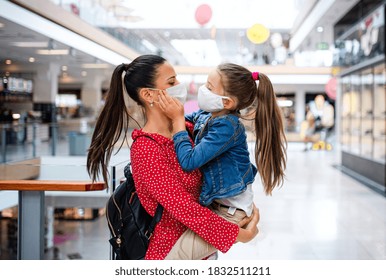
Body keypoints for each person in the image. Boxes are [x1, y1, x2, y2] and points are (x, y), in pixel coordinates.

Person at [86, 55, 259, 260]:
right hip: (169, 251)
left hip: (203, 248)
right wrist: (242, 235)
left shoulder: (188, 130)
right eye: (171, 82)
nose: (180, 85)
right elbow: (184, 208)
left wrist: (242, 204)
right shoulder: (146, 150)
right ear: (149, 94)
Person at [158, 63, 287, 260]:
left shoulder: (227, 126)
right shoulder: (207, 115)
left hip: (230, 213)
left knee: (175, 258)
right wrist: (173, 113)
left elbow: (189, 160)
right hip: (217, 206)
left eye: (209, 88)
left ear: (226, 102)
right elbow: (185, 122)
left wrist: (176, 122)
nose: (203, 90)